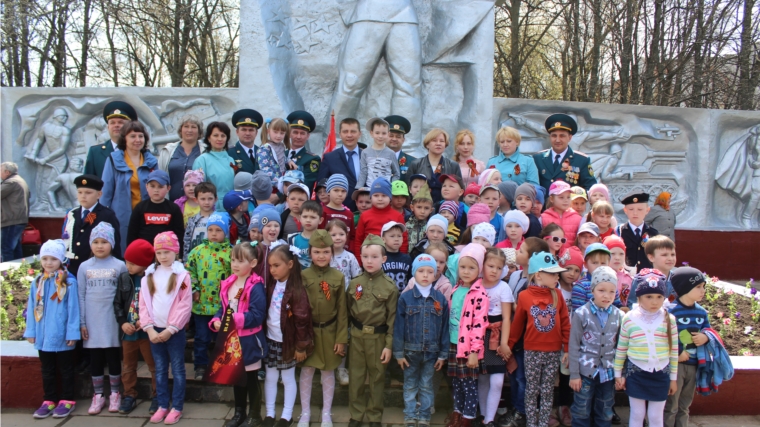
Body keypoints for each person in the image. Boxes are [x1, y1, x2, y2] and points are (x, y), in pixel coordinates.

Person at [508, 251, 570, 427]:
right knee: (532, 389)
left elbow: (566, 323)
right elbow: (518, 324)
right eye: (552, 273)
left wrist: (567, 349)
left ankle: (543, 423)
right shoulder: (524, 296)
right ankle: (532, 423)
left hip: (553, 351)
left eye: (557, 272)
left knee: (548, 390)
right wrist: (509, 346)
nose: (557, 275)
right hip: (532, 351)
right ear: (539, 275)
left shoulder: (557, 294)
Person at [209, 242, 268, 427]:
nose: (235, 264)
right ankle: (239, 412)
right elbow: (223, 309)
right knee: (236, 378)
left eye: (240, 261)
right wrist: (217, 320)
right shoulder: (229, 283)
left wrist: (234, 319)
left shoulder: (256, 286)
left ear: (252, 263)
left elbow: (257, 315)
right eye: (233, 259)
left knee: (251, 378)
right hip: (232, 340)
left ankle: (255, 415)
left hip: (249, 340)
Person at [138, 232, 193, 425]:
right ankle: (162, 405)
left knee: (177, 369)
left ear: (175, 253)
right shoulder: (148, 275)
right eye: (159, 252)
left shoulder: (182, 276)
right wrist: (149, 329)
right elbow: (143, 304)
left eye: (167, 252)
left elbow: (184, 305)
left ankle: (177, 407)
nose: (163, 256)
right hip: (155, 332)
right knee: (160, 369)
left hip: (174, 333)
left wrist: (171, 329)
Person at [614, 269, 678, 427]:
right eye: (649, 297)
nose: (654, 302)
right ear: (639, 297)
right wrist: (618, 374)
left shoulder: (669, 320)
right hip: (636, 373)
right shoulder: (629, 319)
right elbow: (621, 348)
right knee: (637, 414)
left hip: (661, 373)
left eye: (659, 297)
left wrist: (673, 379)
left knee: (655, 416)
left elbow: (674, 351)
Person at [24, 240, 80, 419]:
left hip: (62, 335)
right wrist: (31, 331)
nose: (49, 263)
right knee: (47, 369)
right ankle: (49, 400)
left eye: (53, 259)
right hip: (43, 336)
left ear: (61, 260)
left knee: (66, 368)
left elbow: (73, 309)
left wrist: (72, 332)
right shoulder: (38, 282)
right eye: (45, 258)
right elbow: (33, 307)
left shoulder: (69, 282)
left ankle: (67, 399)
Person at [347, 235, 399, 427]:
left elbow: (392, 318)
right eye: (366, 256)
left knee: (377, 378)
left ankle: (375, 416)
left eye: (374, 257)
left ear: (383, 259)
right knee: (356, 377)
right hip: (357, 336)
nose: (369, 261)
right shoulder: (354, 284)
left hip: (378, 338)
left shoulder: (390, 287)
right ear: (360, 257)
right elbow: (347, 311)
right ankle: (356, 414)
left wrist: (389, 345)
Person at [76, 222, 128, 415]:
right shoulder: (84, 267)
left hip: (112, 320)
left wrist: (123, 320)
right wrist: (82, 322)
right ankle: (98, 395)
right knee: (96, 358)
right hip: (92, 320)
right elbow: (80, 295)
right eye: (96, 242)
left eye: (104, 242)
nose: (100, 246)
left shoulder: (119, 265)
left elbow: (124, 294)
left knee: (113, 357)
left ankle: (115, 393)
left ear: (112, 244)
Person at [393, 253, 449, 427]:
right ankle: (410, 415)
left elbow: (445, 328)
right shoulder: (405, 298)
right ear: (414, 273)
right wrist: (399, 352)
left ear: (435, 274)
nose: (425, 275)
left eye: (429, 271)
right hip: (410, 352)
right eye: (421, 271)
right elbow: (399, 327)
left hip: (431, 353)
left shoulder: (440, 299)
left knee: (426, 385)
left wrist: (442, 354)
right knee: (410, 385)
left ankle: (424, 416)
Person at [299, 230, 348, 427]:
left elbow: (342, 310)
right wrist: (299, 338)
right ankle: (305, 412)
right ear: (310, 252)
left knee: (328, 371)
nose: (321, 256)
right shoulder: (303, 275)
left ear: (332, 253)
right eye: (317, 252)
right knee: (307, 371)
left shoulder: (338, 276)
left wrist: (341, 338)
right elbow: (298, 307)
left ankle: (326, 413)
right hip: (308, 332)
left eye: (326, 252)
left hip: (330, 331)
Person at [500, 238, 551, 427]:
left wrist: (513, 306)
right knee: (514, 374)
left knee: (524, 378)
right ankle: (515, 408)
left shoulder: (540, 282)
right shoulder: (515, 276)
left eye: (522, 251)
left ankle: (522, 412)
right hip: (514, 335)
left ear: (533, 258)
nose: (517, 253)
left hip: (528, 338)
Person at [263, 244, 314, 427]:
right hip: (271, 339)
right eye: (270, 266)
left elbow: (302, 319)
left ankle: (286, 415)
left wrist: (301, 346)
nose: (272, 270)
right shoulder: (271, 284)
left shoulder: (296, 289)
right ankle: (269, 413)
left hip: (288, 342)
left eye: (277, 265)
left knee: (287, 378)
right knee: (270, 377)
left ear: (290, 264)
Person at [568, 266, 624, 427]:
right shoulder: (581, 314)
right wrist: (574, 374)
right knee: (581, 409)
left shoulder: (619, 316)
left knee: (606, 409)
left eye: (612, 291)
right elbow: (574, 345)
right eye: (601, 290)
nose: (607, 296)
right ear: (593, 290)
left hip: (608, 372)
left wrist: (621, 373)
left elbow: (621, 347)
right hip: (585, 372)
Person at [446, 243, 489, 427]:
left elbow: (480, 325)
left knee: (469, 384)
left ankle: (468, 418)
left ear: (479, 269)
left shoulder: (479, 294)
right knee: (456, 383)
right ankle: (457, 411)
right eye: (462, 267)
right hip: (453, 344)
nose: (466, 271)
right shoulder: (456, 289)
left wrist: (474, 351)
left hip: (469, 348)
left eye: (471, 268)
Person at [186, 213, 233, 380]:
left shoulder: (231, 253)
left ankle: (222, 366)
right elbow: (189, 272)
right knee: (201, 338)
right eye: (210, 230)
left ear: (226, 232)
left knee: (222, 339)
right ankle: (200, 366)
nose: (213, 233)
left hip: (222, 307)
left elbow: (235, 276)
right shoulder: (197, 252)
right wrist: (194, 289)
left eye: (218, 230)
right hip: (201, 306)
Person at [114, 239, 158, 415]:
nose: (128, 266)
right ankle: (129, 395)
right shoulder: (125, 278)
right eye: (126, 262)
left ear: (144, 263)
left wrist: (147, 321)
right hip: (129, 333)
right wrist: (123, 322)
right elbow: (117, 303)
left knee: (153, 366)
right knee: (128, 366)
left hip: (148, 332)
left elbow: (158, 304)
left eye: (132, 263)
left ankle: (157, 396)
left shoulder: (153, 279)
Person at [101, 121, 159, 254]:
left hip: (146, 216)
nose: (137, 140)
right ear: (124, 139)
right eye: (133, 136)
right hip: (121, 216)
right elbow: (106, 193)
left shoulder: (151, 161)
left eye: (141, 136)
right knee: (124, 251)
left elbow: (158, 189)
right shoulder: (113, 160)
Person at [664, 267, 711, 427]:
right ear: (684, 288)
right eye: (698, 286)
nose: (702, 290)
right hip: (675, 367)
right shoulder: (671, 311)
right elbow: (665, 336)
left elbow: (708, 331)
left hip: (694, 365)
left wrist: (705, 336)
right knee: (671, 405)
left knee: (685, 405)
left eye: (703, 286)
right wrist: (678, 353)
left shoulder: (701, 312)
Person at [59, 174, 121, 275]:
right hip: (73, 268)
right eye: (80, 192)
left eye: (88, 193)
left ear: (99, 194)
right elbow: (66, 239)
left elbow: (115, 244)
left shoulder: (107, 215)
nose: (83, 196)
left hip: (96, 269)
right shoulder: (72, 214)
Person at [479, 248, 513, 427]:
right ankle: (485, 417)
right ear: (482, 265)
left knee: (497, 380)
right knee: (483, 377)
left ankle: (490, 418)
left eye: (499, 268)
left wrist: (504, 343)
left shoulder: (503, 288)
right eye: (490, 266)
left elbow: (506, 317)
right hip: (478, 336)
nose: (494, 271)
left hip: (496, 336)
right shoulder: (476, 285)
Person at [533, 114, 597, 194]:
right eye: (554, 136)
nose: (557, 140)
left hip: (569, 205)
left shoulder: (582, 160)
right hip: (544, 206)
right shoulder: (537, 158)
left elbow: (591, 188)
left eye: (562, 136)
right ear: (550, 137)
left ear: (570, 137)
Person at [126, 170, 185, 258]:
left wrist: (179, 256)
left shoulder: (173, 208)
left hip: (166, 255)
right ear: (146, 186)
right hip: (144, 253)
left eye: (160, 186)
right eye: (152, 186)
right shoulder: (140, 207)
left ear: (168, 188)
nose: (156, 190)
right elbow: (132, 234)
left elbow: (179, 234)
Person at [354, 177, 409, 258]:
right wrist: (360, 261)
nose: (380, 199)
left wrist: (401, 258)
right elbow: (358, 240)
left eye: (384, 195)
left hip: (392, 260)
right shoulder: (365, 216)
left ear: (390, 197)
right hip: (370, 260)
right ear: (371, 197)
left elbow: (403, 240)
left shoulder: (397, 216)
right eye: (376, 195)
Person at [405, 128, 463, 202]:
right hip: (421, 207)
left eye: (442, 141)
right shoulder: (416, 164)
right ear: (427, 144)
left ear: (445, 145)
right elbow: (408, 188)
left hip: (446, 208)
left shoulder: (453, 165)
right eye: (434, 140)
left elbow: (459, 190)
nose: (438, 143)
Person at [317, 118, 363, 210]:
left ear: (359, 134)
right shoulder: (330, 158)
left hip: (364, 210)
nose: (349, 135)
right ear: (340, 134)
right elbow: (321, 188)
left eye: (353, 131)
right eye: (345, 131)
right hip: (338, 211)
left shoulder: (368, 156)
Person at [157, 115, 206, 201]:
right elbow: (160, 177)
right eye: (186, 126)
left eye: (193, 127)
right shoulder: (167, 150)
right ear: (180, 130)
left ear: (199, 131)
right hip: (171, 205)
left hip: (197, 205)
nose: (189, 130)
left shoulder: (205, 152)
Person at [85, 101, 138, 177]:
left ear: (130, 126)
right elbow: (88, 184)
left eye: (121, 122)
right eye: (112, 123)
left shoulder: (140, 151)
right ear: (108, 127)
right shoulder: (95, 153)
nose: (116, 125)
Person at [193, 122, 235, 211]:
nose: (219, 139)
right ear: (208, 138)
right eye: (215, 135)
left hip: (232, 206)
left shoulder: (231, 159)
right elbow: (198, 190)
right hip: (213, 208)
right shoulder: (202, 160)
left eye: (223, 136)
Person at [615, 192, 659, 272]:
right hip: (626, 276)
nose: (635, 213)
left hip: (647, 276)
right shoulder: (619, 232)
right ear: (625, 210)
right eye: (631, 209)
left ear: (647, 210)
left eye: (640, 209)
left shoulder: (653, 234)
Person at [356, 117, 401, 188]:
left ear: (388, 134)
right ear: (371, 133)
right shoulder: (365, 152)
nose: (380, 136)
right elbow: (363, 172)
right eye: (377, 133)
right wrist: (358, 188)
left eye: (384, 133)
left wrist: (391, 186)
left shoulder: (391, 153)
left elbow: (396, 174)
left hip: (385, 190)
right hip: (369, 189)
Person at [541, 181, 581, 252]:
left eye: (568, 197)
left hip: (570, 259)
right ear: (552, 199)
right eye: (561, 197)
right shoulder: (543, 218)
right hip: (550, 257)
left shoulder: (578, 218)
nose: (565, 200)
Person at [285, 110, 321, 192]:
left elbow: (306, 184)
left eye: (302, 133)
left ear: (307, 136)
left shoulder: (312, 159)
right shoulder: (282, 154)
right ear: (289, 133)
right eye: (295, 132)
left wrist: (277, 196)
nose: (298, 136)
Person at [183, 182, 218, 257]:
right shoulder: (191, 220)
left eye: (210, 199)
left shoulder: (219, 219)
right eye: (203, 199)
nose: (206, 202)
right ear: (196, 200)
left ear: (215, 199)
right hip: (194, 259)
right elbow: (187, 242)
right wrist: (186, 260)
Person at [639, 235, 678, 303]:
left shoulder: (678, 279)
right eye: (664, 255)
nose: (670, 258)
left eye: (673, 254)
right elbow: (633, 303)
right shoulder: (642, 279)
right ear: (651, 257)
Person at [321, 174, 355, 252]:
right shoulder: (323, 212)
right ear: (328, 192)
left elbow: (352, 237)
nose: (340, 194)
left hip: (345, 256)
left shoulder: (349, 214)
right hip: (326, 255)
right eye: (336, 190)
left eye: (343, 191)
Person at [257, 118, 291, 186]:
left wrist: (289, 161)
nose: (278, 136)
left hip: (282, 179)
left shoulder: (281, 146)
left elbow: (282, 159)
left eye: (282, 133)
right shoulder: (264, 149)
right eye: (275, 132)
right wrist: (279, 181)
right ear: (268, 131)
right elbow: (265, 169)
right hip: (271, 183)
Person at [228, 109, 264, 174]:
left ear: (256, 133)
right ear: (237, 132)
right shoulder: (229, 153)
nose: (247, 133)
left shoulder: (262, 152)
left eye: (251, 130)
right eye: (244, 130)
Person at [603, 235, 634, 309]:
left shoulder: (629, 278)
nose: (617, 258)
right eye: (612, 254)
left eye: (621, 254)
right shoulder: (601, 276)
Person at [288, 200, 321, 269]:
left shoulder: (323, 239)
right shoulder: (292, 239)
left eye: (313, 217)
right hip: (298, 277)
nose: (308, 220)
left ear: (320, 220)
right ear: (300, 218)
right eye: (305, 217)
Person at [382, 221, 413, 292]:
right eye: (392, 236)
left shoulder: (407, 259)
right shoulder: (380, 259)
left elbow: (411, 281)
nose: (396, 239)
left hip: (402, 298)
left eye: (399, 236)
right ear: (383, 239)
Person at [385, 115, 417, 182]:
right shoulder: (374, 157)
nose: (394, 139)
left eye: (398, 136)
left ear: (403, 140)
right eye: (391, 135)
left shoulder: (413, 162)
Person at [406, 184, 434, 248]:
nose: (422, 211)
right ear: (412, 207)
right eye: (419, 207)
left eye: (426, 208)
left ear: (431, 210)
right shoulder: (405, 225)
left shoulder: (430, 227)